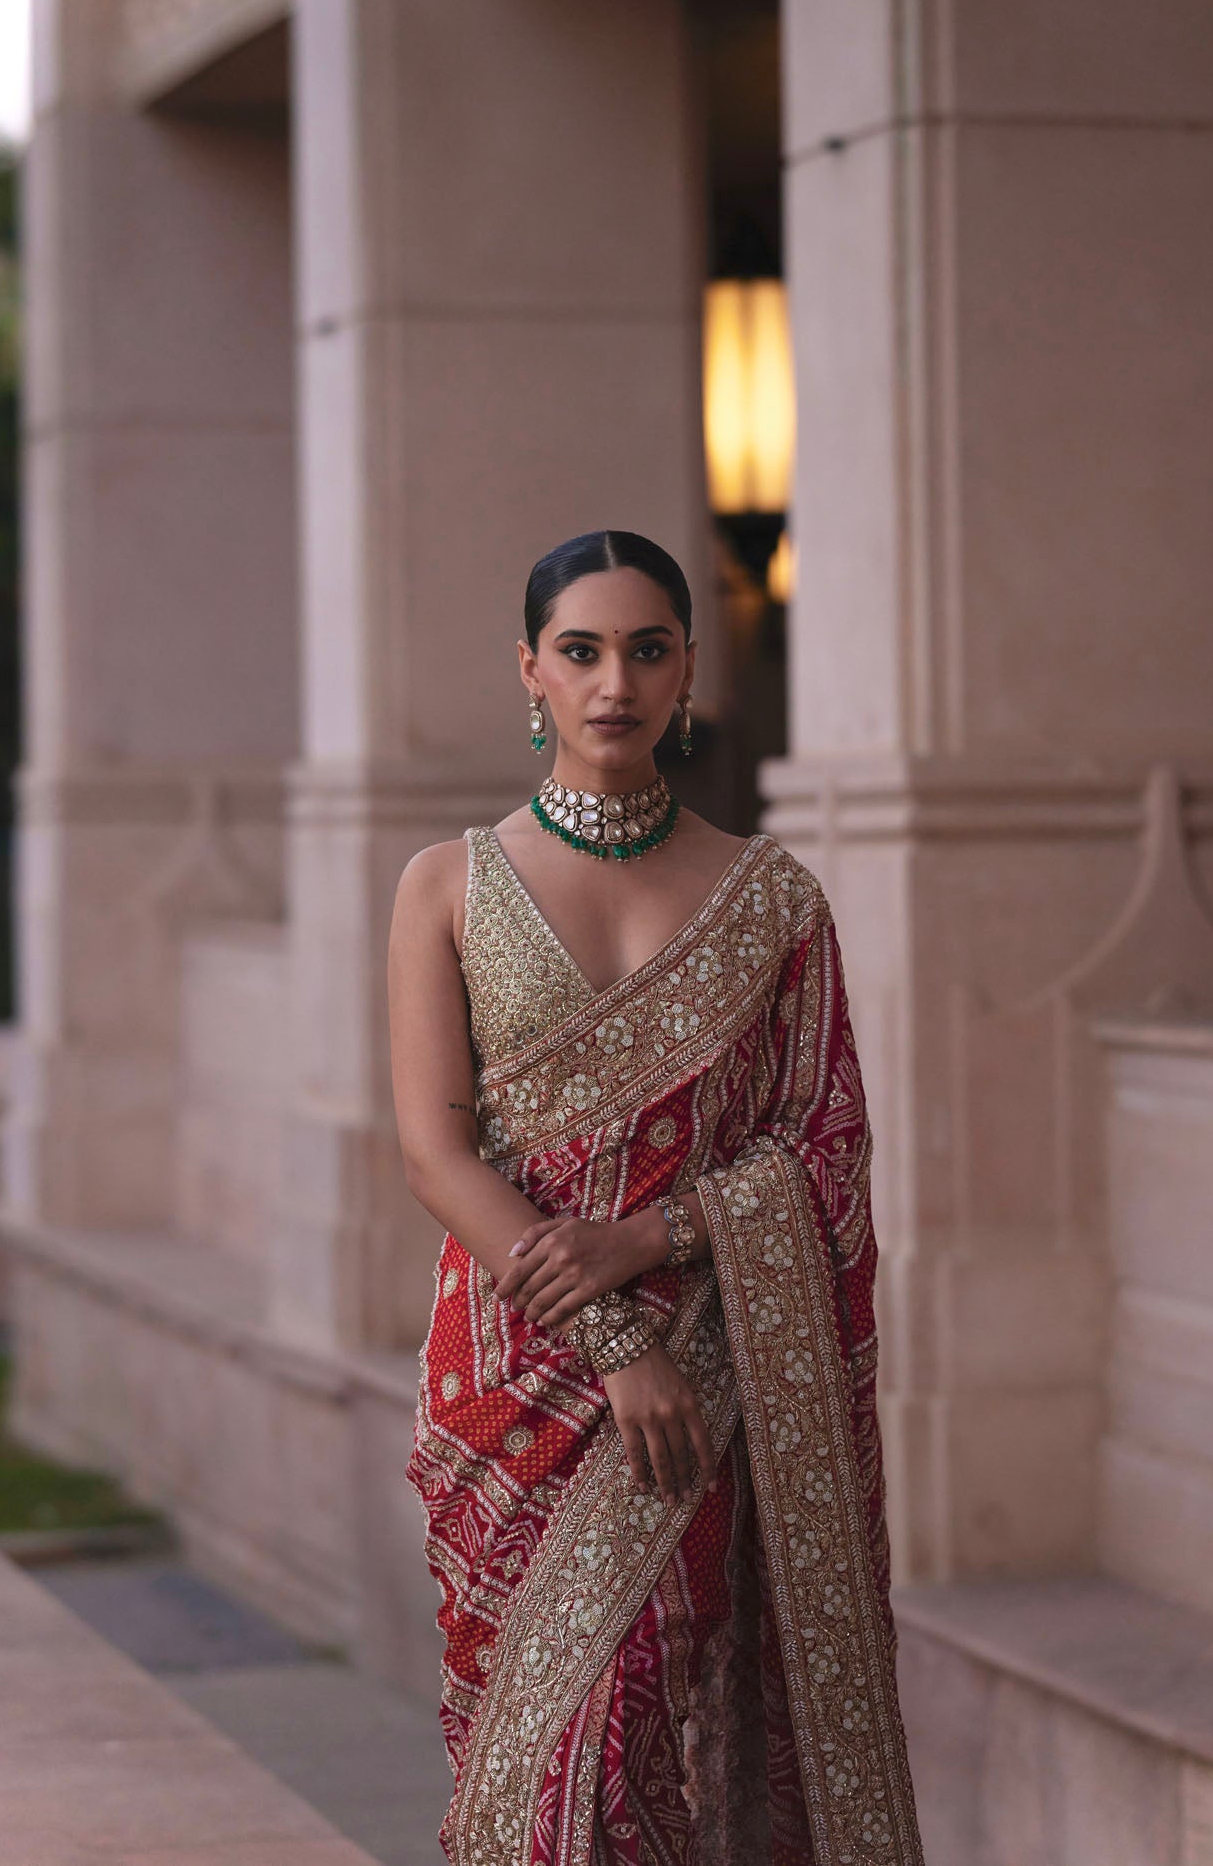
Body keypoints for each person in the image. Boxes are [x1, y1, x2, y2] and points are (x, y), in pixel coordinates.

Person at [388, 528, 925, 1866]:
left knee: (641, 1745)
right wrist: (616, 1344)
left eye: (647, 650)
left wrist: (653, 1237)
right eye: (581, 651)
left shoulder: (771, 902)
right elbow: (434, 1153)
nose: (613, 682)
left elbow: (826, 1148)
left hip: (718, 1368)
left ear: (689, 672)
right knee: (537, 1761)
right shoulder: (447, 885)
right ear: (531, 673)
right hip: (524, 1377)